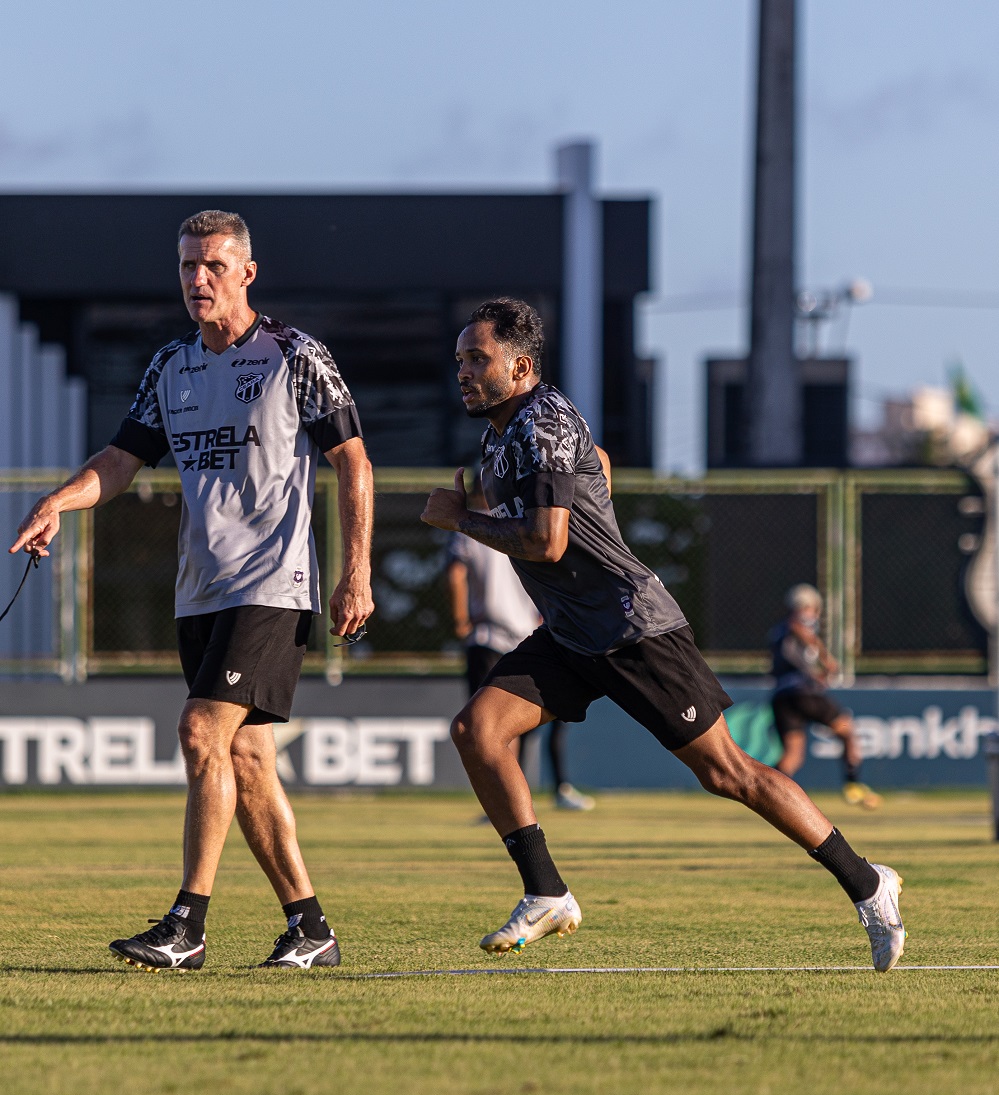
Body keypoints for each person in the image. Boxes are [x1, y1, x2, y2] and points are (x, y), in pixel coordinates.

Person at [421, 297, 905, 972]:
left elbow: (545, 540)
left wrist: (462, 520)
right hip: (570, 632)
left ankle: (867, 882)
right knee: (478, 730)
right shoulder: (501, 434)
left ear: (521, 366)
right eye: (459, 360)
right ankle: (545, 890)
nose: (464, 372)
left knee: (728, 773)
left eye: (477, 359)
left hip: (630, 627)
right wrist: (591, 498)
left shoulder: (541, 421)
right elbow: (600, 460)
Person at [10, 210, 374, 971]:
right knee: (245, 759)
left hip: (272, 585)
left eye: (212, 265)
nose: (196, 279)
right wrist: (58, 503)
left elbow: (353, 461)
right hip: (200, 591)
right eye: (186, 266)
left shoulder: (295, 355)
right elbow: (121, 459)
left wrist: (356, 569)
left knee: (200, 732)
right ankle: (310, 927)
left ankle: (187, 923)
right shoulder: (170, 366)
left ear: (247, 271)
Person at [446, 472, 595, 811]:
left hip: (487, 635)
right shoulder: (523, 524)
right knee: (541, 718)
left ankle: (504, 802)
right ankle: (556, 788)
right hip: (529, 635)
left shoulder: (469, 528)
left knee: (490, 726)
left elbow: (455, 574)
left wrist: (460, 621)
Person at [770, 585, 880, 808]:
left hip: (782, 697)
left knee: (792, 756)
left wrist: (814, 671)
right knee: (848, 732)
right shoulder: (798, 623)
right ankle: (853, 785)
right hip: (804, 694)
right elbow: (799, 629)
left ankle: (770, 795)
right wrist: (826, 659)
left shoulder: (776, 632)